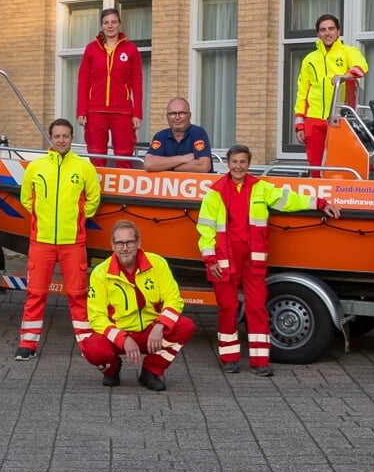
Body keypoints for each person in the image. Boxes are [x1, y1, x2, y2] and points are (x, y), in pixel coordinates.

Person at [197, 145, 335, 376]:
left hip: (253, 260)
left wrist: (320, 203)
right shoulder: (215, 193)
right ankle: (229, 358)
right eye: (234, 162)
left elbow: (289, 199)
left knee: (257, 308)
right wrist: (210, 259)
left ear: (248, 164)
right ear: (228, 164)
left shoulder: (261, 189)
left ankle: (260, 362)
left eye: (242, 162)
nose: (238, 166)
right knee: (228, 308)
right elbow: (205, 230)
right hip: (224, 259)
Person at [17, 118, 101, 360]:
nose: (61, 140)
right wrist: (41, 218)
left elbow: (93, 199)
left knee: (77, 294)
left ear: (72, 138)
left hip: (73, 241)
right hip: (41, 241)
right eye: (57, 136)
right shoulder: (36, 167)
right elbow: (26, 199)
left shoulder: (84, 167)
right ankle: (27, 345)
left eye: (66, 136)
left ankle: (87, 345)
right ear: (50, 139)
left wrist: (76, 219)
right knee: (35, 293)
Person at [81, 221, 196, 391]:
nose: (125, 247)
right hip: (119, 335)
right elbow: (96, 318)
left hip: (151, 331)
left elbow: (174, 299)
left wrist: (160, 325)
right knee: (92, 348)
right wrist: (123, 339)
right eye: (120, 243)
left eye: (129, 242)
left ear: (139, 243)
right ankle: (112, 370)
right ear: (112, 245)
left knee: (185, 326)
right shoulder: (100, 273)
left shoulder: (157, 264)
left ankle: (151, 371)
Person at [291, 14, 369, 171]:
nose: (327, 33)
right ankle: (318, 195)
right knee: (315, 166)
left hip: (338, 117)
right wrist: (300, 124)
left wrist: (345, 76)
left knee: (339, 164)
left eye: (331, 29)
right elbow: (302, 93)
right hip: (313, 120)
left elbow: (361, 67)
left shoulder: (348, 51)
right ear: (318, 34)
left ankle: (338, 195)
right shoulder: (309, 59)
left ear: (338, 31)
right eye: (323, 30)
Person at [76, 7, 144, 165]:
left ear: (119, 24)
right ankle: (97, 189)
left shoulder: (131, 49)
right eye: (106, 22)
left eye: (114, 22)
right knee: (96, 155)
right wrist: (81, 110)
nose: (110, 26)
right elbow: (83, 79)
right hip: (95, 111)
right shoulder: (91, 49)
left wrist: (137, 113)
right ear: (101, 25)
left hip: (123, 111)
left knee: (124, 155)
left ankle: (123, 190)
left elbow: (137, 81)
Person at [143, 97, 213, 172]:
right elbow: (149, 164)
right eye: (172, 114)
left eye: (182, 113)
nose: (177, 117)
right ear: (167, 116)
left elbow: (203, 166)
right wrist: (184, 158)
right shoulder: (160, 136)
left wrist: (169, 167)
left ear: (189, 115)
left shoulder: (198, 133)